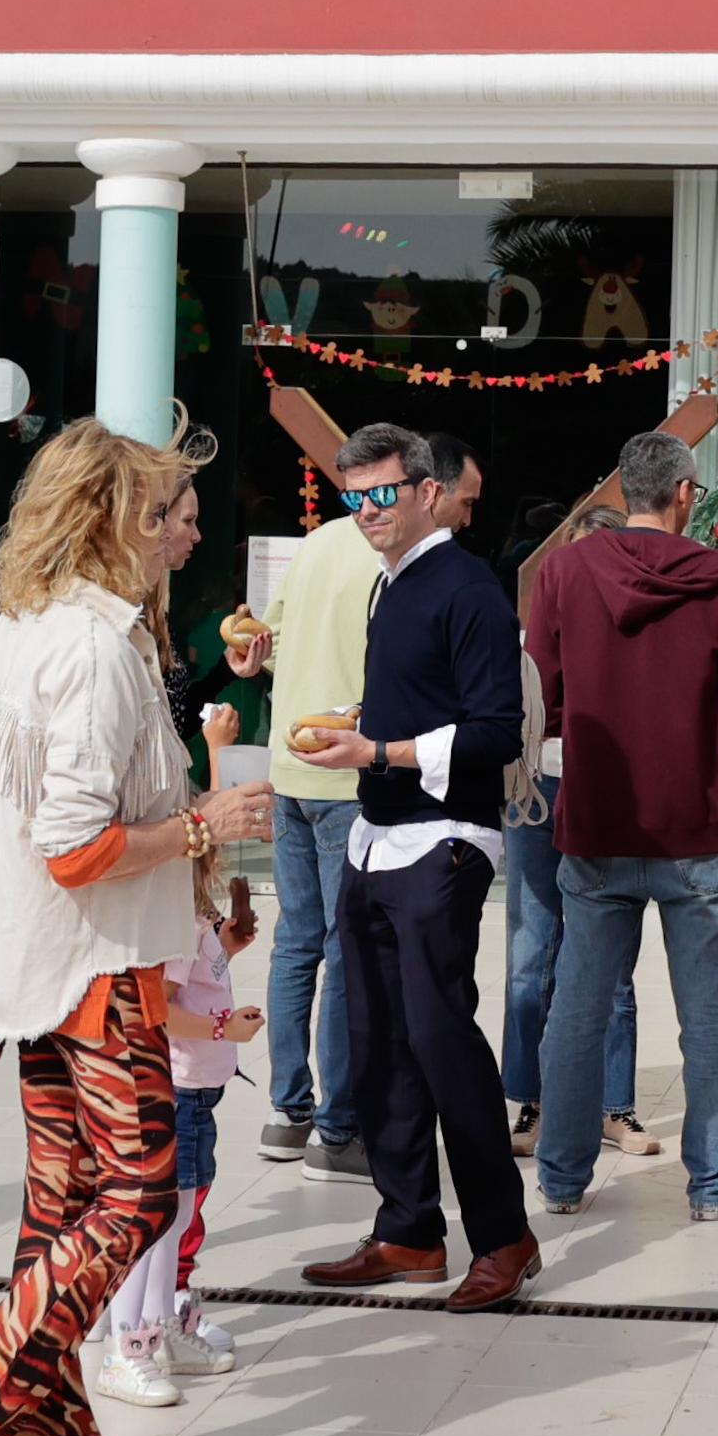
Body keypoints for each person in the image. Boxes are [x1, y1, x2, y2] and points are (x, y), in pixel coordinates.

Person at [0, 422, 271, 1436]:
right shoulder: (97, 649)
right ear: (119, 523)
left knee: (60, 1204)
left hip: (27, 952)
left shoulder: (27, 627)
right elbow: (75, 844)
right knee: (138, 1189)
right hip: (89, 962)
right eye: (164, 514)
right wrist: (203, 825)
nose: (181, 535)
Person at [287, 421, 541, 1309]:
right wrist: (358, 724)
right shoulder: (388, 586)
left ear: (428, 490)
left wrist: (378, 749)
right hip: (375, 837)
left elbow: (494, 732)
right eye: (354, 497)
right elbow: (419, 699)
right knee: (378, 1041)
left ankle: (505, 1236)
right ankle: (406, 1231)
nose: (366, 512)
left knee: (441, 1041)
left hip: (442, 842)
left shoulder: (468, 589)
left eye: (381, 494)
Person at [520, 430, 718, 1220]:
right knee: (710, 1017)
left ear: (621, 491)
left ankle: (559, 1176)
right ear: (686, 493)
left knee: (578, 1010)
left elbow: (539, 694)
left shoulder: (564, 569)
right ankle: (716, 1182)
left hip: (596, 816)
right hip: (697, 821)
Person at [500, 477, 645, 1161]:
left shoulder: (635, 631)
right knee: (534, 949)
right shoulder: (539, 627)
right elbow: (525, 707)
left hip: (607, 791)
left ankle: (615, 1105)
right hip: (541, 788)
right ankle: (532, 1099)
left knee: (611, 958)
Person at [249, 462, 384, 1174]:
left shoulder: (313, 546)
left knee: (296, 943)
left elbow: (259, 651)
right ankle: (338, 1128)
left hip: (287, 766)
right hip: (343, 770)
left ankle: (285, 1111)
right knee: (343, 948)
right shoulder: (387, 557)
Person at [89, 859, 259, 1407]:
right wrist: (222, 1028)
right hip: (178, 1088)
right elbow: (157, 1009)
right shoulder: (177, 922)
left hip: (198, 1090)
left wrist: (226, 946)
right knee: (160, 1215)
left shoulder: (194, 919)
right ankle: (128, 1345)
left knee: (179, 1212)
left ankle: (160, 1330)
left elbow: (192, 983)